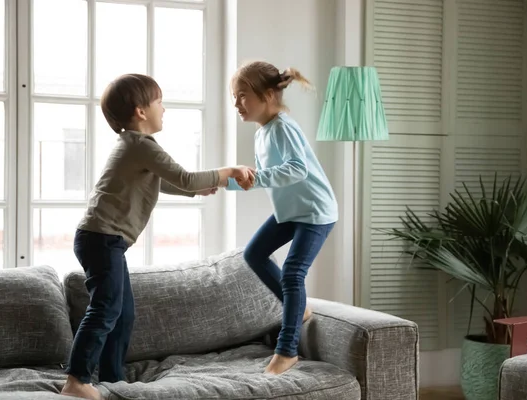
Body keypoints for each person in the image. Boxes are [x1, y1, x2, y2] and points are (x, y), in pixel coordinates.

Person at [61, 73, 254, 400]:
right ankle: (76, 380)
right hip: (101, 238)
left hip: (105, 240)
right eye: (159, 102)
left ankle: (112, 378)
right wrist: (229, 172)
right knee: (106, 308)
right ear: (140, 111)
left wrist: (198, 190)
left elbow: (162, 181)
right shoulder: (139, 144)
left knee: (124, 313)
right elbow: (183, 176)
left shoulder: (134, 147)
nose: (164, 109)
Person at [226, 61, 338, 375]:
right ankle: (299, 308)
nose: (237, 103)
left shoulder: (283, 126)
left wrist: (254, 177)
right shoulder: (262, 132)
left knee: (292, 273)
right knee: (254, 253)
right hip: (291, 211)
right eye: (235, 97)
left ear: (268, 95)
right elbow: (261, 177)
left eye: (242, 96)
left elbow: (296, 170)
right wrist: (222, 183)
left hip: (315, 211)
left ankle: (286, 351)